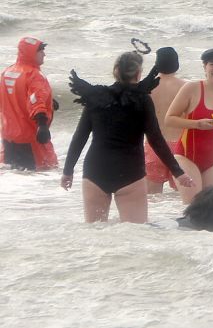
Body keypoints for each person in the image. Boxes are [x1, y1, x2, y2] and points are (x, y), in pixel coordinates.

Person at [60, 51, 193, 223]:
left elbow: (80, 137)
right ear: (138, 73)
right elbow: (155, 139)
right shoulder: (142, 99)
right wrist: (178, 172)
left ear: (116, 71)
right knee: (135, 236)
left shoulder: (96, 98)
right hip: (129, 173)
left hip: (95, 171)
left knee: (94, 234)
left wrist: (67, 171)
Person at [165, 48, 213, 204]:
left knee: (212, 207)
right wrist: (197, 124)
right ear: (204, 66)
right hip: (186, 156)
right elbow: (169, 119)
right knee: (193, 207)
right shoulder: (191, 88)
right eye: (212, 64)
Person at [1, 37, 58, 171]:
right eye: (41, 50)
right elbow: (36, 100)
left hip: (8, 139)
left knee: (14, 180)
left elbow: (13, 96)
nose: (44, 54)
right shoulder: (34, 75)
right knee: (46, 172)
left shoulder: (7, 72)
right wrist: (42, 125)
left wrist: (49, 101)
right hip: (30, 140)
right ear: (31, 52)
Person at [145, 47, 187, 193]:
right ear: (176, 64)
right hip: (181, 146)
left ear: (157, 64)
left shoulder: (147, 88)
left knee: (152, 197)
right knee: (181, 196)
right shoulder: (186, 87)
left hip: (154, 145)